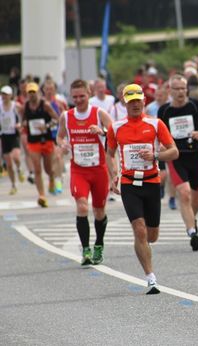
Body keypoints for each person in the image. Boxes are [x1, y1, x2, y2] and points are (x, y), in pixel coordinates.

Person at [106, 83, 179, 294]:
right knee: (139, 229)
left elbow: (173, 152)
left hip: (151, 182)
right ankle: (151, 277)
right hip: (129, 184)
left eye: (138, 100)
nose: (135, 104)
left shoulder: (156, 125)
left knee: (151, 235)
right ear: (124, 103)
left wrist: (155, 156)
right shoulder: (116, 127)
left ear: (144, 101)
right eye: (131, 102)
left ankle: (143, 244)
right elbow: (110, 153)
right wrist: (113, 175)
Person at [56, 79, 113, 265]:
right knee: (82, 206)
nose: (78, 100)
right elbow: (60, 136)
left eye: (82, 96)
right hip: (78, 169)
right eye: (75, 97)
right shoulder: (67, 116)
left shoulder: (98, 113)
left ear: (89, 94)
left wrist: (102, 131)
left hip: (99, 170)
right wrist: (62, 144)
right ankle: (86, 250)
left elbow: (115, 132)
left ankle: (99, 244)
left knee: (99, 210)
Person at [158, 75, 198, 251]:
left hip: (195, 155)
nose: (181, 92)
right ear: (170, 91)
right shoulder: (164, 111)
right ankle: (192, 232)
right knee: (183, 193)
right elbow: (158, 136)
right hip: (176, 157)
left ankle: (192, 219)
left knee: (195, 198)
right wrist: (161, 155)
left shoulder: (195, 105)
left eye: (184, 88)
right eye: (177, 89)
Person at [20, 82, 59, 207]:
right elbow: (23, 121)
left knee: (48, 169)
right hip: (33, 142)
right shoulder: (25, 107)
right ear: (26, 94)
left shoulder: (45, 105)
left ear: (38, 92)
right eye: (29, 92)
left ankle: (52, 178)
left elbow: (56, 119)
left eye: (33, 92)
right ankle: (41, 196)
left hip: (46, 140)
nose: (31, 95)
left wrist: (46, 126)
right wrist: (24, 125)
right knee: (37, 169)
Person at [0, 85, 24, 194]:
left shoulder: (15, 106)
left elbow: (24, 114)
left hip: (14, 134)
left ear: (10, 95)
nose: (4, 96)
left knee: (16, 157)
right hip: (4, 135)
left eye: (6, 94)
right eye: (2, 94)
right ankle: (13, 185)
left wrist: (20, 124)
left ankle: (19, 169)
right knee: (8, 164)